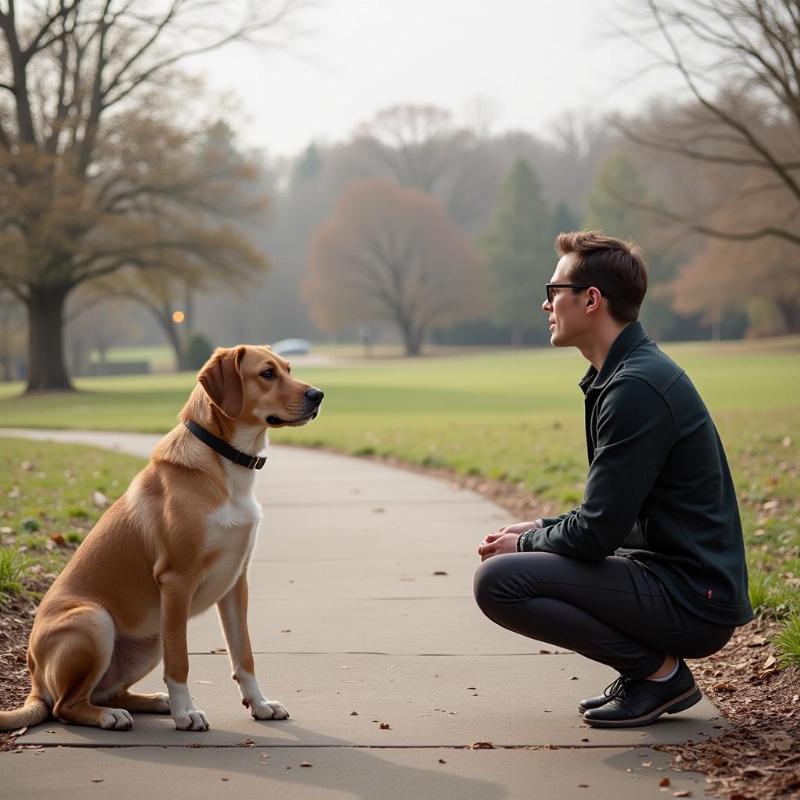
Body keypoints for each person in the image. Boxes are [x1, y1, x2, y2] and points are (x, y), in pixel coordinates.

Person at [473, 230, 752, 728]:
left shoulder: (635, 388)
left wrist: (528, 543)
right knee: (517, 561)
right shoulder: (625, 375)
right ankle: (650, 675)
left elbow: (597, 533)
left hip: (693, 599)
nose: (546, 304)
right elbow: (612, 515)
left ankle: (659, 675)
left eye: (554, 290)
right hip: (670, 577)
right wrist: (536, 527)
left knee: (500, 581)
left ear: (591, 300)